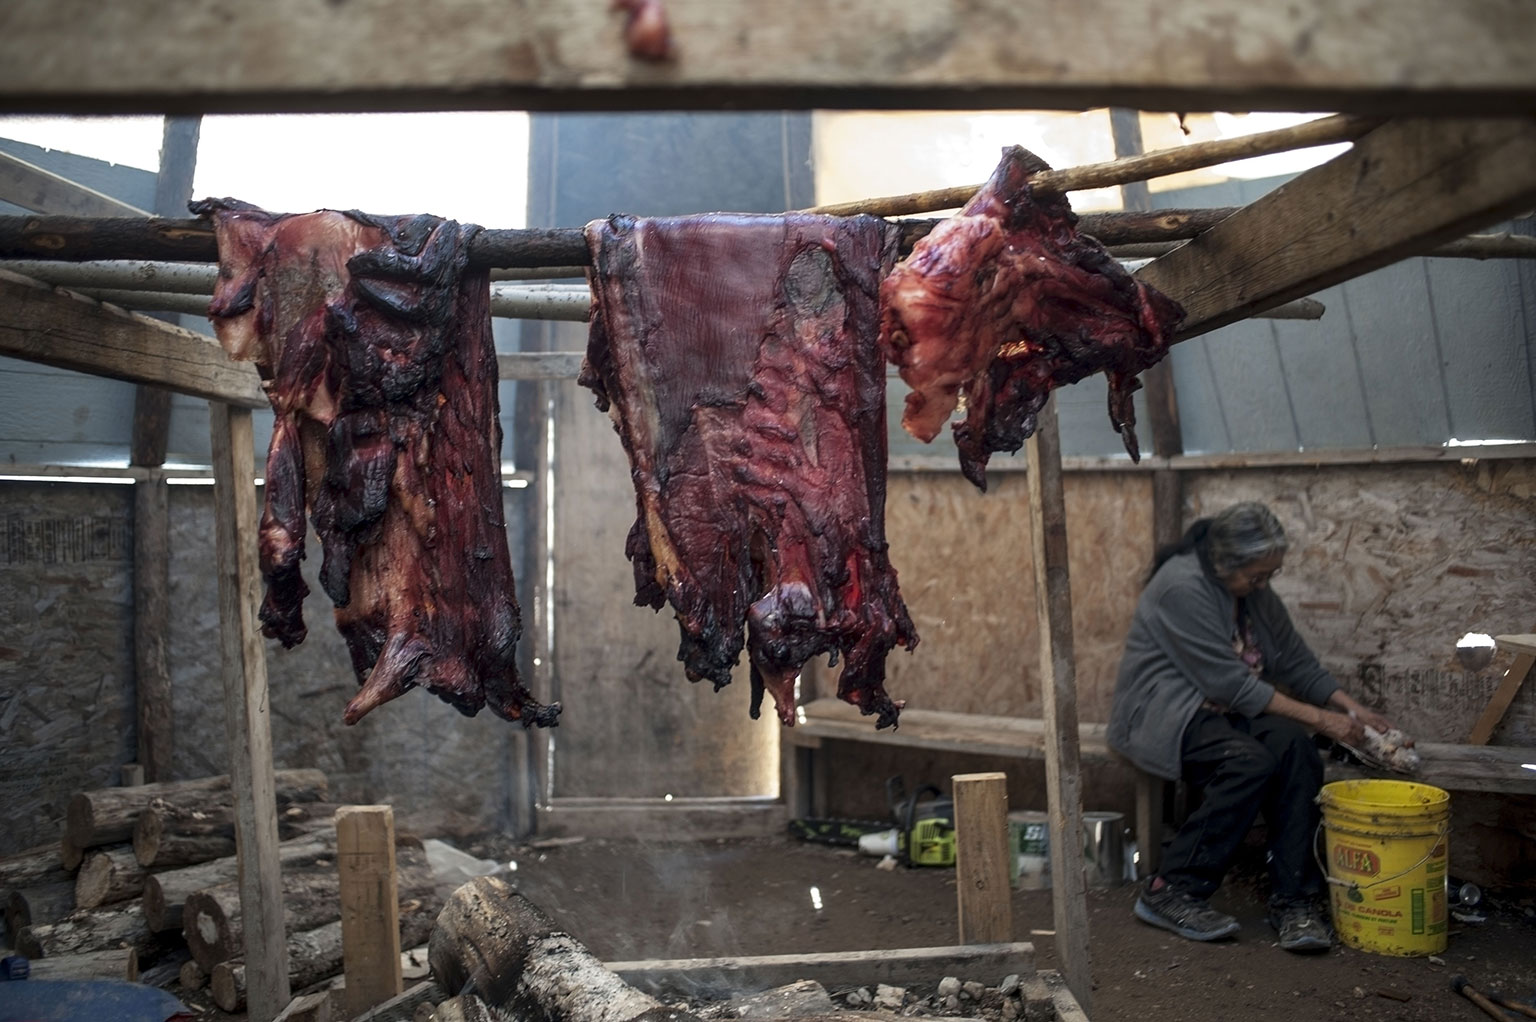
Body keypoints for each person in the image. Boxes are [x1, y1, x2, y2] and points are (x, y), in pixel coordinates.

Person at [1107, 501, 1396, 953]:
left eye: (1268, 576)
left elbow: (1295, 660)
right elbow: (1231, 684)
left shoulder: (1251, 589)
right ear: (1225, 563)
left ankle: (1294, 900)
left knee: (1297, 750)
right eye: (1257, 576)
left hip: (1224, 711)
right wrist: (1325, 719)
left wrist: (1350, 708)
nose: (1263, 585)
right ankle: (1172, 890)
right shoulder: (1181, 587)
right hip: (1164, 713)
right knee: (1247, 762)